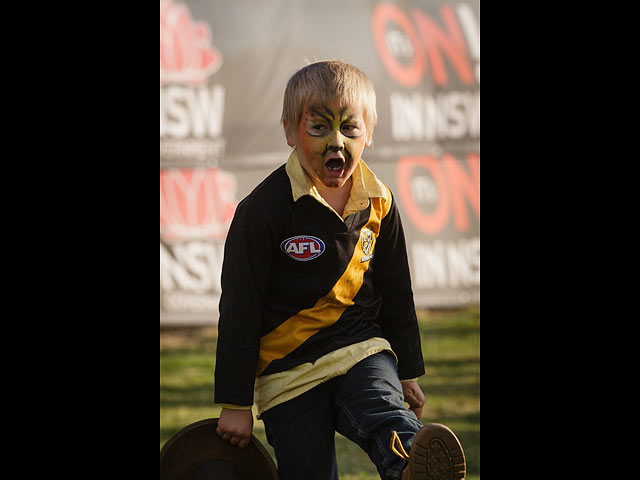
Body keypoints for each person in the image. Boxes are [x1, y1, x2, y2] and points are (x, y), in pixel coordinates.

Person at [214, 60, 465, 480]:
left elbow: (396, 291)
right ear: (290, 131)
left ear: (369, 132)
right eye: (318, 128)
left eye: (350, 128)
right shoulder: (261, 212)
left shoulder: (379, 202)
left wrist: (406, 372)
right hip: (287, 374)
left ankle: (412, 469)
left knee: (385, 410)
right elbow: (241, 308)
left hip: (360, 348)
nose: (336, 142)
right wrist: (235, 403)